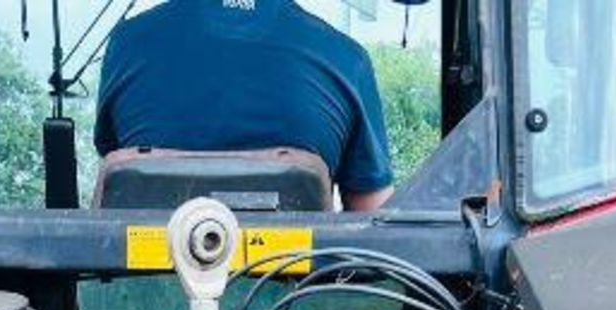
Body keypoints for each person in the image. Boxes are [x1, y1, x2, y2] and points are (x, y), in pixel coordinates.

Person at [94, 0, 396, 212]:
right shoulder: (345, 58)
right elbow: (376, 222)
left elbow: (117, 182)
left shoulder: (127, 44)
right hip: (293, 300)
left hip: (144, 299)